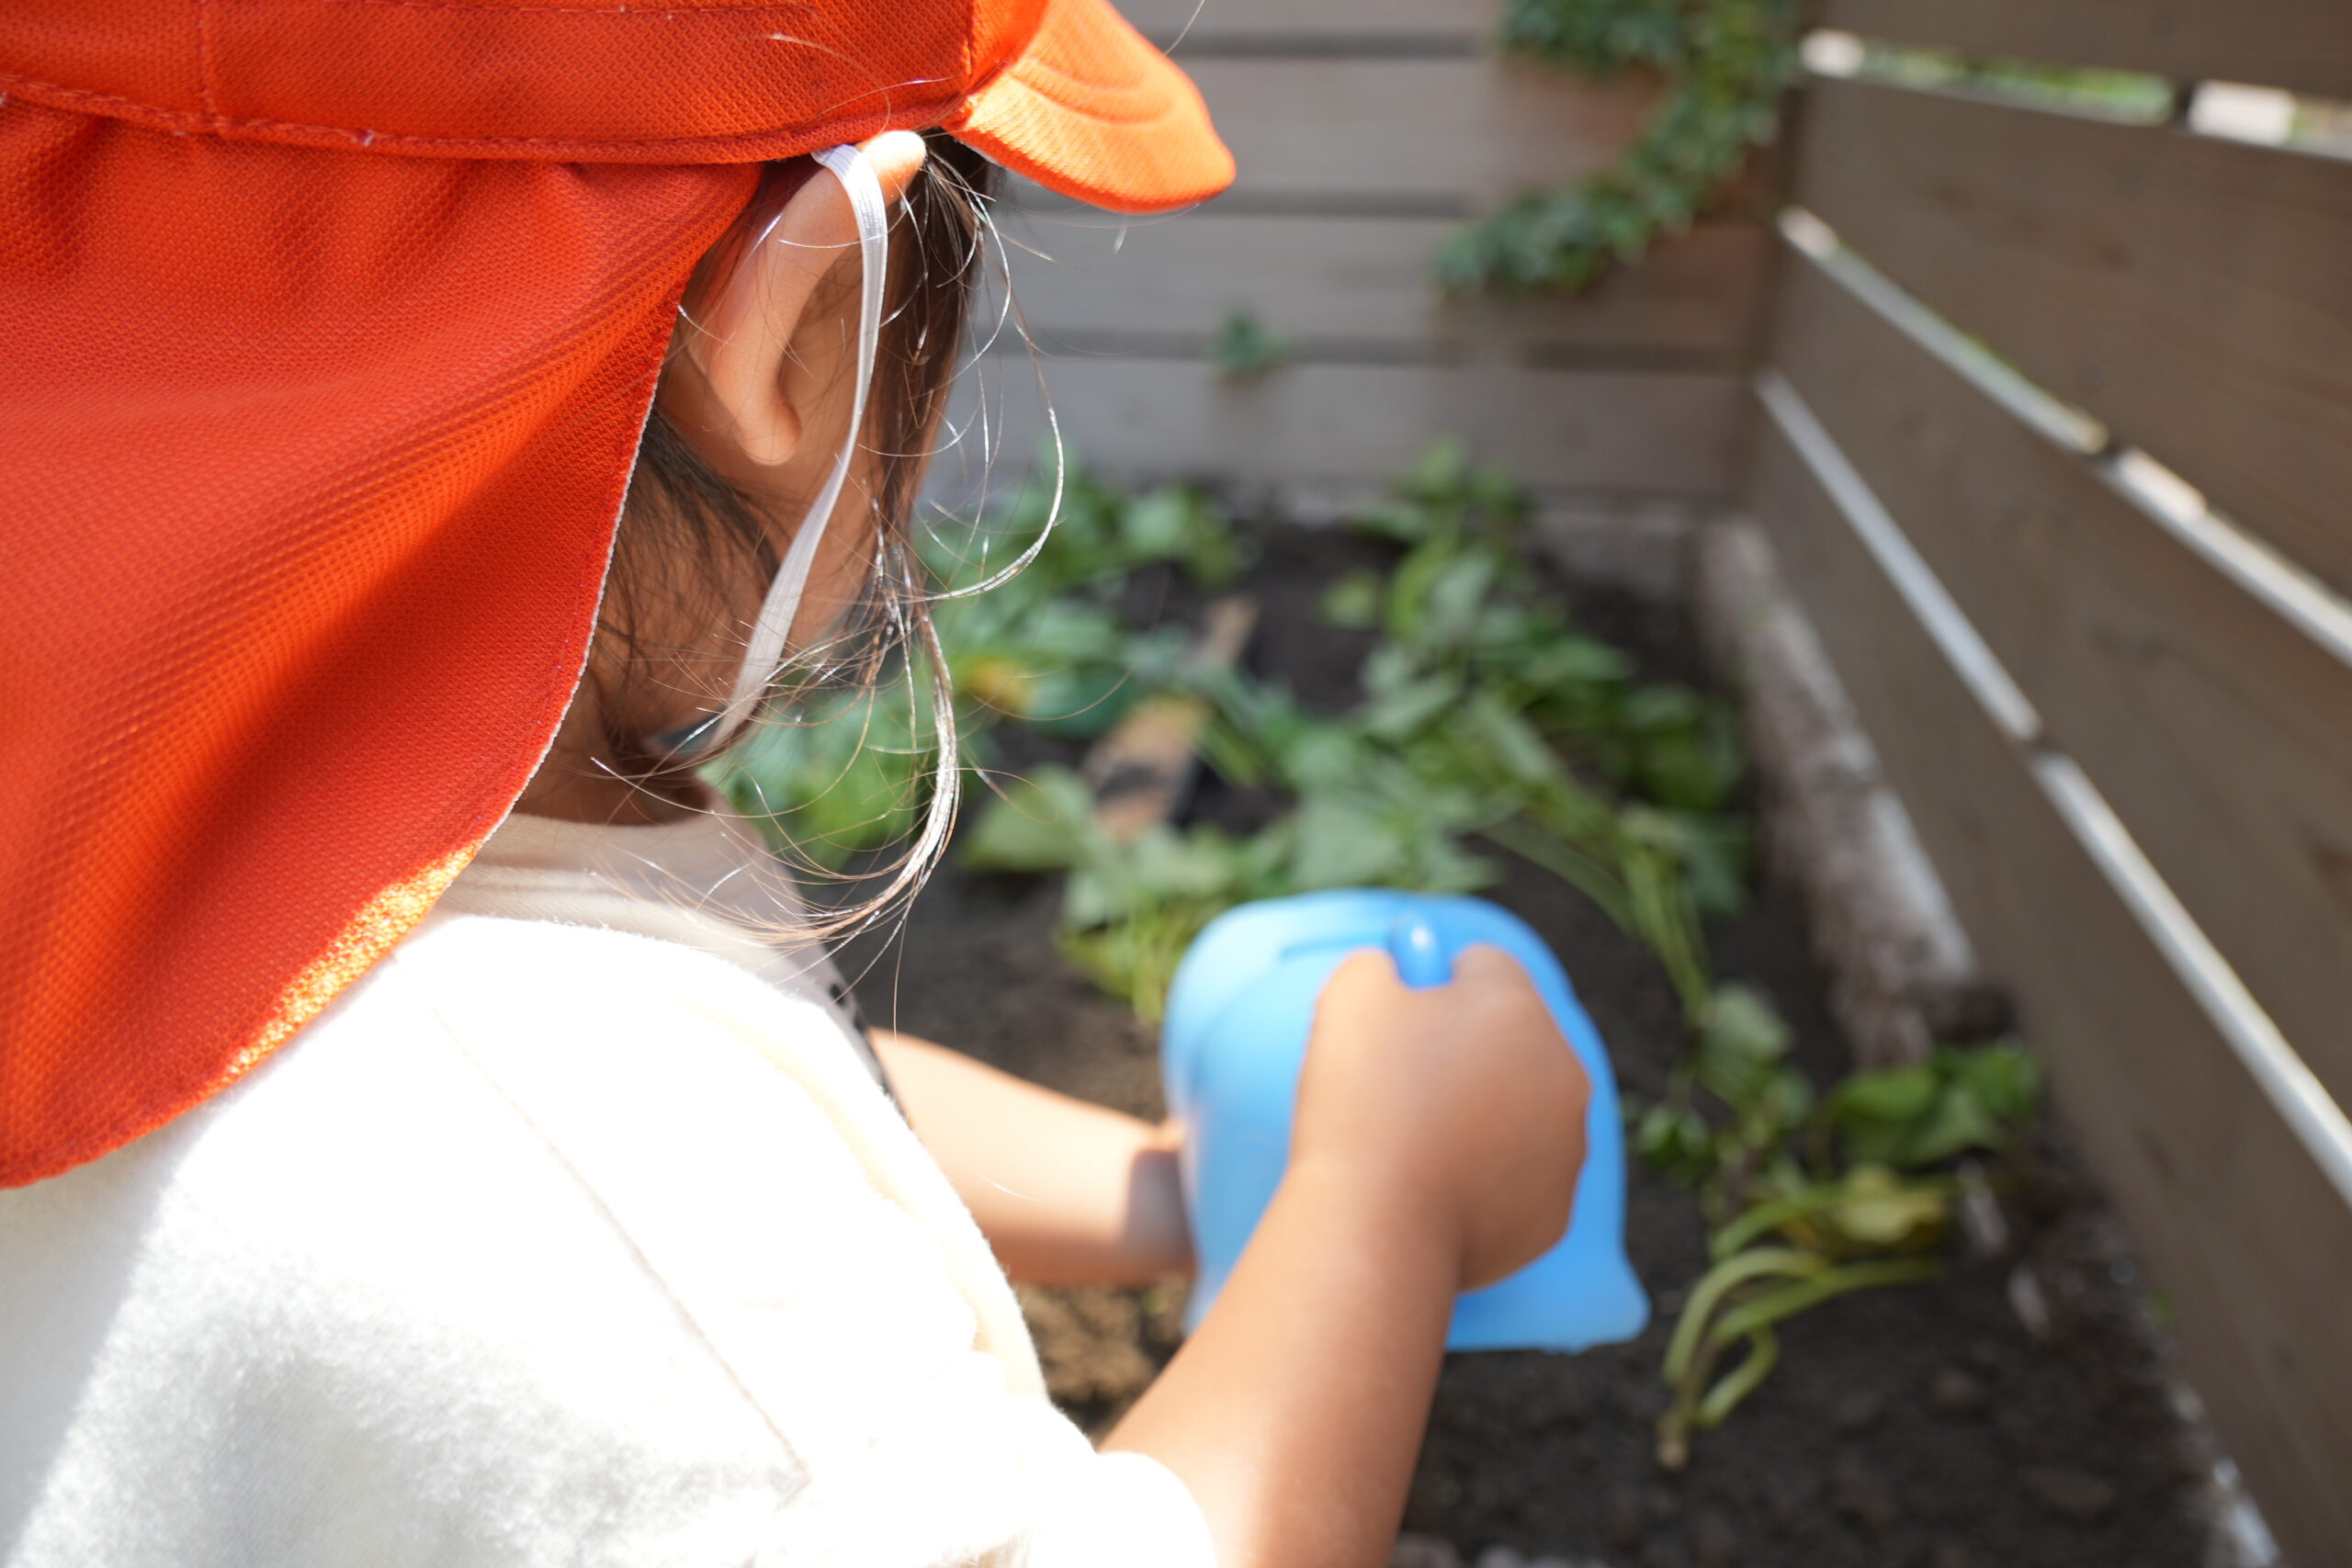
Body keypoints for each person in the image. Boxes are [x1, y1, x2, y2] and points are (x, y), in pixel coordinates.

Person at [0, 3, 1591, 1565]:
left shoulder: (184, 827)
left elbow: (727, 1082)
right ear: (805, 320)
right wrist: (1384, 1192)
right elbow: (611, 1165)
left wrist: (1155, 1203)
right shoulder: (552, 1198)